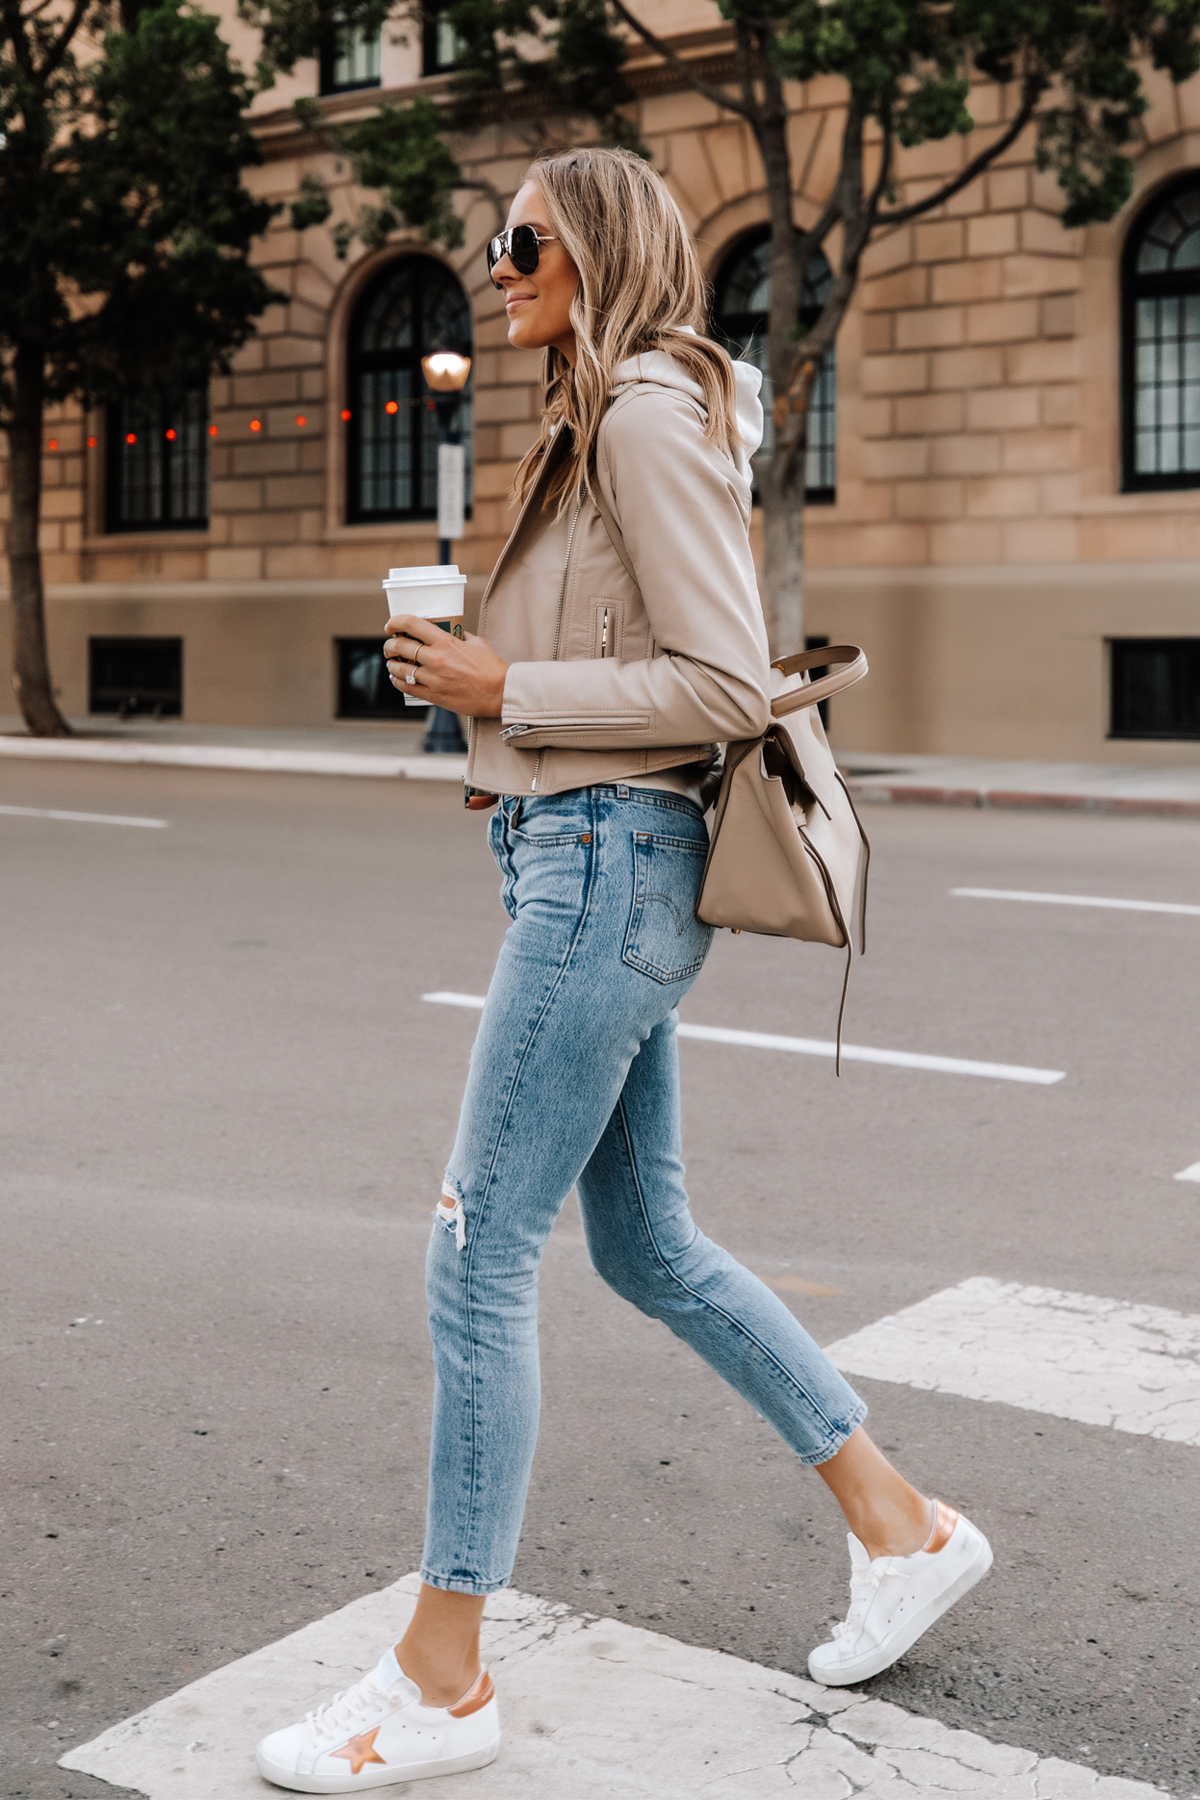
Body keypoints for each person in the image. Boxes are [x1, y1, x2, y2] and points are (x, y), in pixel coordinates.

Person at [256, 146, 992, 1794]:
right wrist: (484, 707)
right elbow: (609, 668)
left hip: (608, 873)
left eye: (520, 240)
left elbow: (727, 683)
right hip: (581, 854)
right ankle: (906, 1524)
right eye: (491, 241)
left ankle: (442, 1679)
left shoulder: (650, 407)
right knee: (645, 1245)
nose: (494, 264)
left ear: (594, 245)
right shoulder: (602, 411)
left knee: (474, 1255)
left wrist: (510, 688)